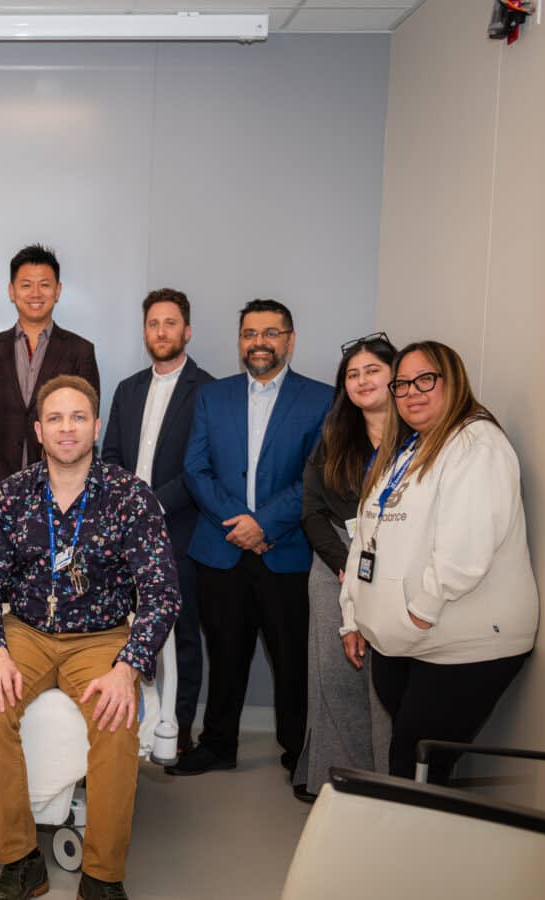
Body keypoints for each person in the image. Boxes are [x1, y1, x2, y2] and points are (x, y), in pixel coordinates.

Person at [0, 375, 180, 900]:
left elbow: (162, 592)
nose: (67, 428)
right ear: (39, 430)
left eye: (78, 418)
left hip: (103, 635)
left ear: (97, 426)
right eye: (56, 419)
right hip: (27, 631)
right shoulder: (12, 495)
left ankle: (103, 875)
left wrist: (128, 667)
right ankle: (20, 860)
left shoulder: (131, 496)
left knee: (116, 718)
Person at [339, 341, 537, 785]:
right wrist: (354, 614)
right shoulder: (411, 447)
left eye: (425, 379)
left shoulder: (475, 443)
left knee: (416, 770)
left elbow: (465, 552)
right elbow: (367, 534)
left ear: (453, 380)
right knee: (409, 763)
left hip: (459, 643)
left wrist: (417, 616)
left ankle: (410, 854)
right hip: (409, 642)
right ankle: (407, 850)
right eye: (403, 383)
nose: (412, 392)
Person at [168, 299, 330, 788]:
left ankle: (300, 752)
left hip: (285, 550)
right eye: (249, 333)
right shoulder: (213, 397)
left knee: (291, 660)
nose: (259, 342)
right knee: (225, 650)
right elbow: (195, 469)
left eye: (271, 333)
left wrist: (264, 525)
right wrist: (237, 524)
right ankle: (218, 744)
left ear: (290, 340)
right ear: (240, 341)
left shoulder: (321, 399)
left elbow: (316, 477)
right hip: (222, 548)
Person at [102, 288, 214, 756]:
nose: (161, 331)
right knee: (122, 627)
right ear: (145, 331)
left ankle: (179, 731)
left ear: (186, 331)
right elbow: (108, 457)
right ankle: (127, 726)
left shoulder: (208, 390)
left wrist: (148, 506)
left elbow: (202, 465)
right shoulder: (128, 389)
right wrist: (125, 509)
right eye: (153, 324)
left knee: (182, 633)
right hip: (124, 533)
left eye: (170, 323)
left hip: (180, 528)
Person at [292, 333, 398, 798]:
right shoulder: (334, 434)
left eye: (372, 370)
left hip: (396, 568)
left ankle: (384, 787)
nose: (362, 380)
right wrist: (344, 566)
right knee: (334, 678)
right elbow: (312, 510)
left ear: (396, 375)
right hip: (333, 560)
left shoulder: (420, 436)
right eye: (352, 375)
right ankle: (333, 785)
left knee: (383, 688)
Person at [0, 244, 100, 523]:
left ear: (58, 290)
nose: (35, 294)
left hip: (60, 495)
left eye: (44, 285)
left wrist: (46, 481)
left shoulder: (80, 351)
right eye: (26, 285)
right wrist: (6, 483)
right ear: (12, 291)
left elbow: (83, 422)